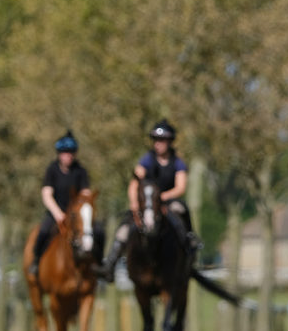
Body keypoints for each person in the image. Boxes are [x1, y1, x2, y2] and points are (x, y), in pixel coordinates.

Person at [99, 119, 200, 280]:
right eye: (155, 140)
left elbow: (181, 187)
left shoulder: (177, 162)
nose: (158, 144)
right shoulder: (147, 160)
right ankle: (110, 264)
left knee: (181, 210)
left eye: (162, 140)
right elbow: (134, 183)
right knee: (124, 228)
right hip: (146, 203)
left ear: (169, 142)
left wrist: (162, 198)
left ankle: (189, 243)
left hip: (167, 201)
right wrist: (134, 203)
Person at [29, 130, 93, 276]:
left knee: (98, 232)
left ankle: (99, 264)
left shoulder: (80, 171)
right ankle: (36, 262)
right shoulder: (52, 170)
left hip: (75, 214)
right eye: (65, 152)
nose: (68, 156)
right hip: (56, 213)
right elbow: (46, 194)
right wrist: (58, 214)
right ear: (59, 154)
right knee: (43, 232)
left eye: (71, 152)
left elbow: (85, 194)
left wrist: (80, 209)